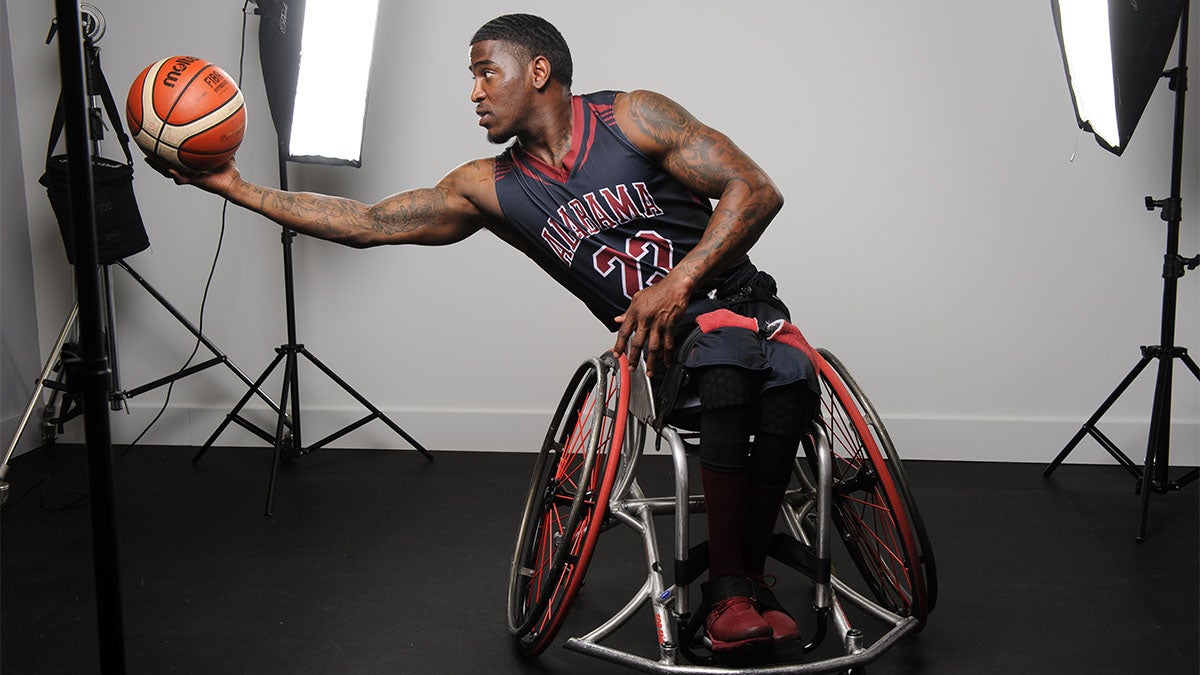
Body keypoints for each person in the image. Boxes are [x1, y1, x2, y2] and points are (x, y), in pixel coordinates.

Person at [157, 13, 819, 654]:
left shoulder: (632, 116)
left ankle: (749, 580)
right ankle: (730, 593)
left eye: (484, 72)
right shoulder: (489, 187)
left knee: (792, 375)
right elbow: (367, 221)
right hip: (668, 352)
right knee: (727, 360)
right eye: (470, 78)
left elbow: (753, 188)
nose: (473, 93)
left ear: (537, 70)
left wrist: (680, 281)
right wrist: (234, 187)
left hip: (738, 301)